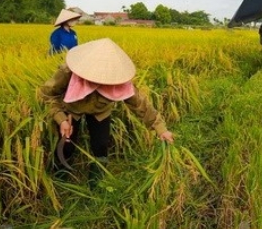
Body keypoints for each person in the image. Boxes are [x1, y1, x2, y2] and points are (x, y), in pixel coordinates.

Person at [39, 38, 175, 187]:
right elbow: (47, 94)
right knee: (66, 145)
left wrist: (161, 129)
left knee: (101, 145)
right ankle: (60, 178)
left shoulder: (119, 80)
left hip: (100, 111)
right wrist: (61, 119)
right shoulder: (69, 72)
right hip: (72, 110)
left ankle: (97, 181)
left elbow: (140, 104)